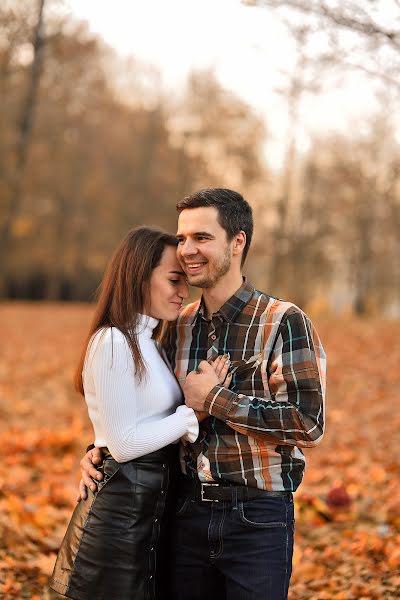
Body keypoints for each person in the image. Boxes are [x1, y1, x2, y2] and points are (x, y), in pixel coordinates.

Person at [79, 189, 326, 600]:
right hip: (181, 512)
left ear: (238, 241)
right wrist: (101, 448)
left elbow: (308, 422)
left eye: (202, 238)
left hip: (257, 517)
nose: (187, 250)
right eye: (183, 238)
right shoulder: (177, 324)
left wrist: (215, 399)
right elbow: (143, 402)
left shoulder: (282, 322)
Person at [49, 226, 231, 600]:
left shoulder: (149, 341)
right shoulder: (113, 341)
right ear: (138, 275)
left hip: (149, 516)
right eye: (173, 279)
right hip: (115, 523)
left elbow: (134, 422)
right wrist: (192, 413)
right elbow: (123, 443)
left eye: (186, 281)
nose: (183, 292)